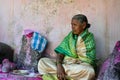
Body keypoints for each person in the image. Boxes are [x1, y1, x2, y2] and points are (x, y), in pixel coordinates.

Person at [38, 14, 96, 80]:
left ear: (83, 25)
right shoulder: (70, 36)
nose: (72, 27)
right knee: (42, 62)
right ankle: (63, 74)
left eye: (75, 25)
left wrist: (75, 62)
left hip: (78, 67)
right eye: (72, 24)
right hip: (65, 64)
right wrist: (59, 66)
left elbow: (89, 61)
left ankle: (59, 75)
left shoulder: (89, 38)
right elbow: (61, 53)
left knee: (90, 71)